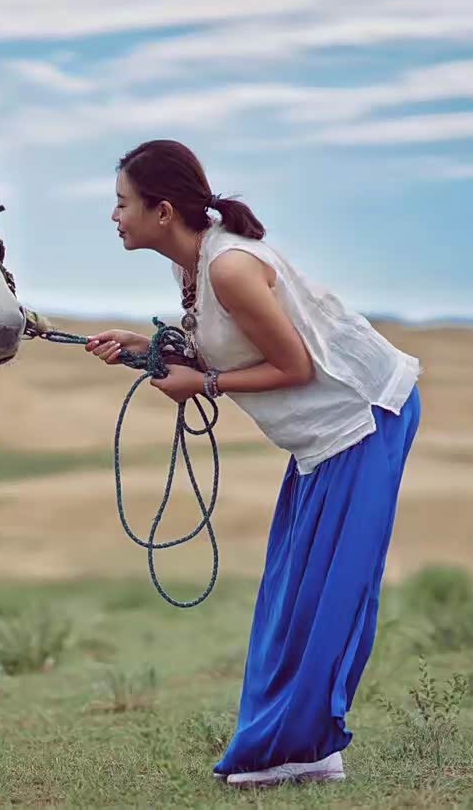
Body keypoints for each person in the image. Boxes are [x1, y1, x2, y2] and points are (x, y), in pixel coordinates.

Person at [86, 139, 422, 788]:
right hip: (321, 441)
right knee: (290, 595)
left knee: (328, 595)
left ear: (162, 211)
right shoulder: (194, 266)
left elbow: (293, 366)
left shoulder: (230, 267)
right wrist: (146, 347)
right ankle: (296, 745)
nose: (114, 215)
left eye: (121, 203)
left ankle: (303, 750)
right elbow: (232, 347)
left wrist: (203, 387)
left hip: (364, 419)